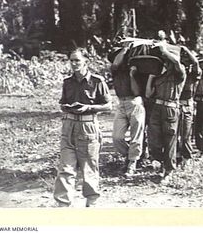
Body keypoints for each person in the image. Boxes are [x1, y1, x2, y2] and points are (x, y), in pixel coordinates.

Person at [53, 48, 112, 207]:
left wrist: (88, 108)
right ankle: (63, 205)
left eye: (77, 60)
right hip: (69, 126)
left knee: (89, 168)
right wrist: (66, 107)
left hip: (88, 126)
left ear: (86, 61)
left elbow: (108, 105)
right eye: (71, 60)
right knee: (65, 168)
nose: (73, 64)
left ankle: (91, 203)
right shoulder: (67, 82)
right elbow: (62, 103)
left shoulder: (97, 81)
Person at [146, 42, 186, 183]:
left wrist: (164, 50)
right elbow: (148, 93)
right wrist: (151, 77)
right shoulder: (159, 76)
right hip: (157, 108)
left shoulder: (180, 74)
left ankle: (168, 171)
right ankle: (160, 162)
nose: (167, 63)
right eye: (165, 61)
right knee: (154, 139)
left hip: (171, 109)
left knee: (169, 140)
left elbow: (177, 62)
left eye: (168, 60)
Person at [111, 46, 146, 176]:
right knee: (117, 137)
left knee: (136, 136)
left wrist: (132, 76)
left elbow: (137, 92)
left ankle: (132, 163)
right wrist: (124, 49)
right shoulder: (115, 70)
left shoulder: (136, 70)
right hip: (121, 103)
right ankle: (131, 156)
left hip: (134, 103)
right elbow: (115, 65)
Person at [177, 48, 201, 169]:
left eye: (187, 61)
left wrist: (186, 50)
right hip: (175, 105)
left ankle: (186, 158)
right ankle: (176, 156)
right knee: (174, 133)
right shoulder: (176, 73)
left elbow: (196, 63)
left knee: (185, 134)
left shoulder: (193, 75)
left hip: (187, 105)